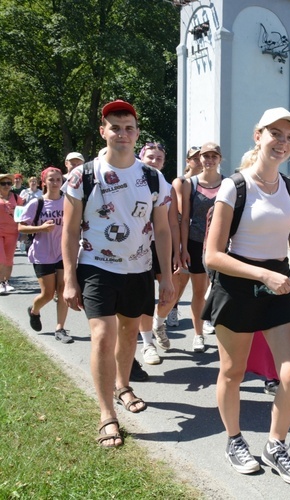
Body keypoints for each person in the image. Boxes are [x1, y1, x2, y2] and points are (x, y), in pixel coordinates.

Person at [203, 107, 290, 484]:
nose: (283, 142)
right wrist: (263, 274)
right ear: (258, 135)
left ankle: (275, 445)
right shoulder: (235, 186)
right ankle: (234, 440)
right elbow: (212, 255)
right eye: (276, 134)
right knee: (233, 371)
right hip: (238, 282)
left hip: (279, 282)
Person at [62, 99, 174, 448]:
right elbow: (67, 230)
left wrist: (166, 277)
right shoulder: (84, 175)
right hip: (96, 266)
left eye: (128, 128)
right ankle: (107, 414)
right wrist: (68, 278)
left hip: (138, 268)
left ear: (136, 134)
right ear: (103, 131)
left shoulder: (152, 177)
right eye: (115, 127)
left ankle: (123, 384)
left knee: (129, 333)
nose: (122, 133)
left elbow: (163, 230)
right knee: (103, 336)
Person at [181, 141, 224, 353]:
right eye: (205, 156)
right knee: (198, 291)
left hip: (222, 246)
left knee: (221, 290)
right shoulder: (191, 184)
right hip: (196, 243)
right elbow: (184, 218)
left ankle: (224, 333)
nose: (208, 160)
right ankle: (198, 335)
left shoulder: (228, 184)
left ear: (220, 159)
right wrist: (183, 247)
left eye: (213, 156)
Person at [18, 167, 70, 343]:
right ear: (44, 182)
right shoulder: (36, 203)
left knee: (63, 291)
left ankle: (60, 329)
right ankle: (34, 310)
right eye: (51, 180)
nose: (55, 183)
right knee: (48, 294)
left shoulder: (68, 202)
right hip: (42, 253)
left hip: (63, 252)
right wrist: (40, 228)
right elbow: (21, 227)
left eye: (58, 179)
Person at [135, 141, 174, 365]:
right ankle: (147, 344)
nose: (154, 161)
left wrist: (177, 250)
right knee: (145, 297)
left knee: (171, 292)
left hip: (162, 243)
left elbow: (172, 223)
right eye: (150, 157)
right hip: (139, 245)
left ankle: (159, 323)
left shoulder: (166, 185)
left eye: (159, 158)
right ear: (141, 157)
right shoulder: (131, 181)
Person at [163, 146, 203, 329]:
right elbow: (180, 211)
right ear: (188, 161)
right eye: (194, 158)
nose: (199, 160)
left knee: (196, 280)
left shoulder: (209, 182)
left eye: (200, 157)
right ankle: (170, 309)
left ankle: (202, 317)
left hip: (200, 236)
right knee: (179, 277)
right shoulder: (181, 181)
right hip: (182, 233)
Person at [0, 172, 22, 294]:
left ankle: (6, 282)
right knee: (1, 257)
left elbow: (22, 214)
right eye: (3, 183)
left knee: (9, 259)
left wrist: (23, 230)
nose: (6, 185)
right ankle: (0, 282)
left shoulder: (16, 197)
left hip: (12, 232)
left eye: (9, 183)